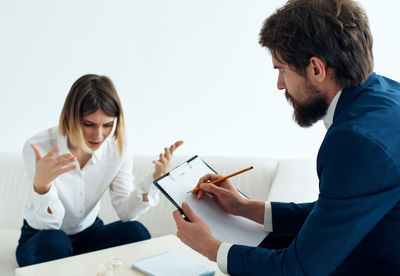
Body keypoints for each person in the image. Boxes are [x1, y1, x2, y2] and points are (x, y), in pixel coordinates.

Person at [172, 0, 400, 275]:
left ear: (316, 69)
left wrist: (211, 248)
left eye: (281, 69)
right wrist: (245, 207)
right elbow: (339, 211)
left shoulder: (356, 141)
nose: (279, 84)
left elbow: (298, 269)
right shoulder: (386, 95)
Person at [16, 74, 183, 267]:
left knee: (135, 231)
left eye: (108, 125)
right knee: (56, 243)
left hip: (89, 233)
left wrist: (154, 180)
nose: (99, 135)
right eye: (89, 124)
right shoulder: (38, 147)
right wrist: (42, 187)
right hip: (42, 236)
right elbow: (50, 224)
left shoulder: (117, 149)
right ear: (71, 117)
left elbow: (126, 213)